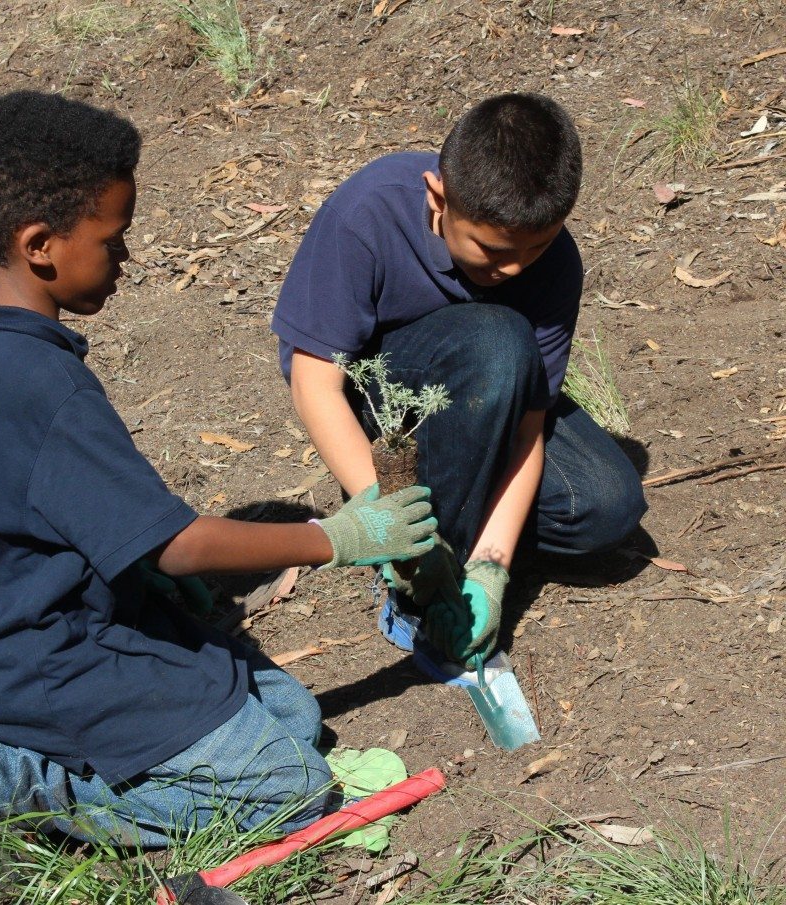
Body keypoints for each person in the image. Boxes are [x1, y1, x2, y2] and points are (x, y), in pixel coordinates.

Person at [0, 90, 438, 866]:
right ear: (39, 244)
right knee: (295, 784)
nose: (126, 259)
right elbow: (179, 547)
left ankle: (14, 734)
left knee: (294, 714)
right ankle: (16, 780)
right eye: (112, 239)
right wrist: (340, 536)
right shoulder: (43, 385)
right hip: (58, 668)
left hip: (27, 646)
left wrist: (85, 547)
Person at [271, 92, 646, 672]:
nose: (516, 268)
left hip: (493, 391)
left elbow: (528, 430)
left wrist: (493, 566)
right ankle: (413, 574)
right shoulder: (368, 213)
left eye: (536, 248)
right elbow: (313, 384)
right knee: (496, 341)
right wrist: (387, 522)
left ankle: (463, 549)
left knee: (606, 508)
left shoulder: (556, 263)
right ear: (437, 196)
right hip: (384, 405)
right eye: (494, 251)